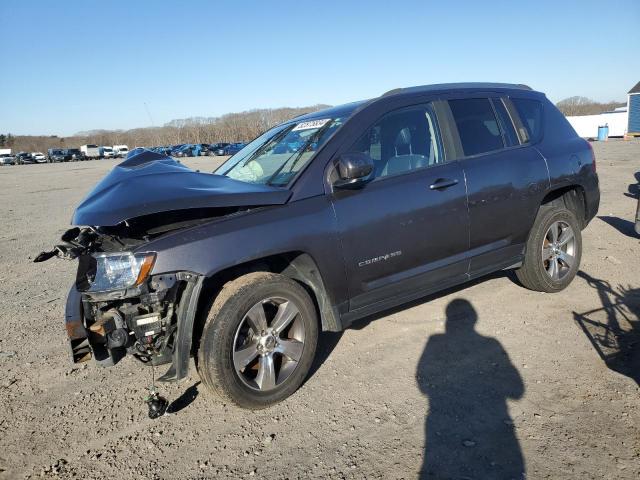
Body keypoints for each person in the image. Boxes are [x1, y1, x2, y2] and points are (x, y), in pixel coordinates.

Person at [417, 299, 525, 479]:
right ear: (475, 319)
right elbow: (518, 391)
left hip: (439, 424)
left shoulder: (434, 341)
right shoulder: (491, 343)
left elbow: (422, 386)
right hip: (493, 428)